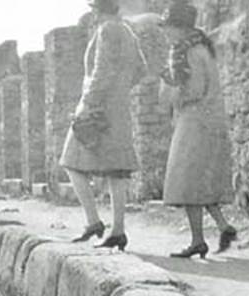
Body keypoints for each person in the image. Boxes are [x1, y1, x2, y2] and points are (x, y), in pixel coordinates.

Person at [59, 0, 147, 250]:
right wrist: (120, 90)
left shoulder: (107, 30)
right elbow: (140, 69)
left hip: (98, 108)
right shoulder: (127, 31)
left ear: (98, 11)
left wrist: (88, 103)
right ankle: (118, 230)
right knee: (116, 169)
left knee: (70, 161)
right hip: (118, 109)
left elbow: (101, 70)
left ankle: (93, 221)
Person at [159, 0, 238, 259]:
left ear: (180, 28)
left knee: (187, 181)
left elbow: (194, 90)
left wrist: (171, 92)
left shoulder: (190, 53)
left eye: (169, 28)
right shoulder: (200, 48)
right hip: (206, 120)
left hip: (196, 121)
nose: (166, 33)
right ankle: (223, 226)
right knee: (200, 180)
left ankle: (197, 240)